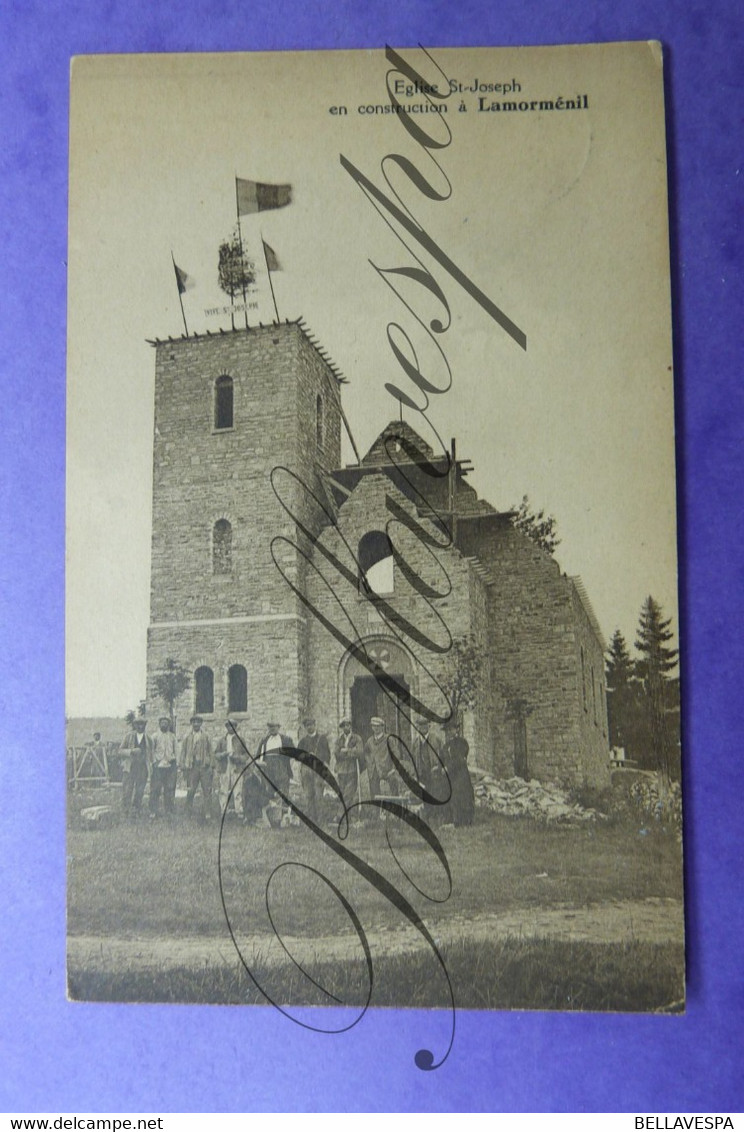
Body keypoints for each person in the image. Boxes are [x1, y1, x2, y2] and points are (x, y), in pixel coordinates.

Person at [254, 720, 293, 826]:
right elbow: (259, 755)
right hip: (268, 770)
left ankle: (285, 818)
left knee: (283, 793)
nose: (272, 729)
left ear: (278, 727)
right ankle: (273, 818)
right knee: (270, 792)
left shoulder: (285, 739)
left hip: (281, 769)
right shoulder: (265, 740)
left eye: (274, 727)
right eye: (270, 727)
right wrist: (261, 763)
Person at [297, 716, 331, 823]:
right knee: (308, 794)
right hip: (306, 770)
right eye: (307, 726)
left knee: (318, 794)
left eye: (311, 725)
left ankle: (320, 819)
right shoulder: (302, 741)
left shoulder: (321, 739)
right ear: (305, 727)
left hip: (318, 769)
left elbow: (327, 755)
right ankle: (311, 818)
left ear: (315, 725)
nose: (309, 727)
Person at [179, 715, 214, 821]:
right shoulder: (187, 737)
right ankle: (188, 812)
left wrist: (211, 766)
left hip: (204, 767)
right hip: (192, 767)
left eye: (198, 722)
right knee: (191, 791)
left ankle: (207, 813)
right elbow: (183, 752)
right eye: (194, 722)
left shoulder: (206, 736)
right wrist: (183, 767)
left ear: (201, 723)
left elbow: (211, 751)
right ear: (191, 724)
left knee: (207, 791)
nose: (196, 724)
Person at [440, 725, 475, 827]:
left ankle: (463, 821)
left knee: (461, 796)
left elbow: (460, 759)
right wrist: (440, 767)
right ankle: (451, 820)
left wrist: (448, 768)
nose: (449, 731)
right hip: (450, 777)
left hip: (461, 775)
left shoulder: (462, 743)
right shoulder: (445, 746)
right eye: (447, 730)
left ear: (457, 730)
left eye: (451, 729)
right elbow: (442, 759)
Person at [215, 719, 248, 819]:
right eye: (228, 726)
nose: (230, 728)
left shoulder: (240, 739)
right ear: (226, 728)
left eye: (233, 726)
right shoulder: (222, 740)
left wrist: (237, 758)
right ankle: (224, 810)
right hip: (225, 766)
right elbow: (216, 754)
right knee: (223, 790)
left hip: (236, 767)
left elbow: (246, 755)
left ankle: (239, 811)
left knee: (237, 789)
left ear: (236, 727)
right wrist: (223, 755)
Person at [414, 718, 446, 822]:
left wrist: (439, 767)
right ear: (417, 728)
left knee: (435, 793)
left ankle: (437, 816)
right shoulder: (415, 742)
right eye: (420, 726)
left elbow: (443, 755)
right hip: (422, 773)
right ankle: (427, 816)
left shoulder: (436, 739)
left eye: (424, 726)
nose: (422, 728)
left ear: (428, 726)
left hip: (434, 772)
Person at [118, 718, 151, 817]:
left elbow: (151, 754)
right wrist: (131, 751)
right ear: (135, 725)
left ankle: (136, 810)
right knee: (127, 790)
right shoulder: (129, 736)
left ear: (145, 725)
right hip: (130, 768)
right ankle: (125, 811)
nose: (140, 726)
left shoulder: (149, 739)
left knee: (140, 791)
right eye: (138, 724)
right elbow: (119, 751)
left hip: (142, 768)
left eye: (142, 724)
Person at [333, 717, 365, 809]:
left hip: (352, 769)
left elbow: (359, 752)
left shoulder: (357, 738)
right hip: (341, 770)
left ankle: (340, 815)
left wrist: (346, 751)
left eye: (347, 725)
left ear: (350, 726)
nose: (345, 728)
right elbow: (336, 753)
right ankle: (348, 815)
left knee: (349, 792)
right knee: (342, 792)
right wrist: (351, 752)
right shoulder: (339, 740)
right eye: (343, 726)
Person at [149, 716, 178, 818]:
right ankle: (153, 811)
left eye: (166, 723)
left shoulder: (172, 736)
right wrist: (154, 763)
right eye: (162, 723)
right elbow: (151, 751)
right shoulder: (154, 736)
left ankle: (169, 810)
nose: (164, 725)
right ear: (159, 724)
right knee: (155, 789)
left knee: (169, 789)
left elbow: (176, 750)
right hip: (158, 766)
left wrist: (175, 763)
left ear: (169, 725)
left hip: (170, 766)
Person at [364, 716, 391, 798]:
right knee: (374, 792)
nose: (376, 728)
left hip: (387, 769)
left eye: (378, 726)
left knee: (393, 789)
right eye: (374, 726)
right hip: (374, 770)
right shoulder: (369, 741)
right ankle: (376, 809)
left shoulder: (388, 739)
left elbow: (396, 754)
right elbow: (366, 753)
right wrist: (369, 764)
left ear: (382, 727)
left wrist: (393, 768)